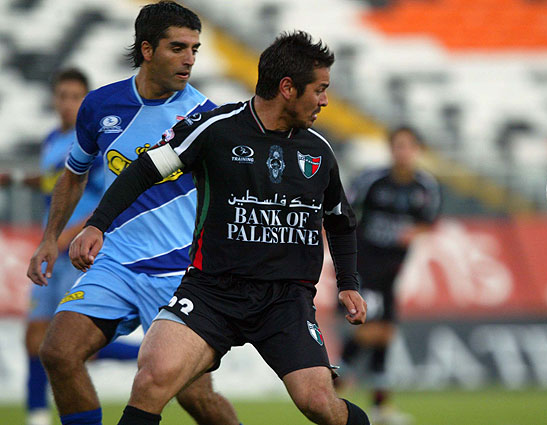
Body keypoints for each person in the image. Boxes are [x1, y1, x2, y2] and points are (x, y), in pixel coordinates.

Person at [70, 30, 371, 425]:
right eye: (319, 89)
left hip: (285, 301)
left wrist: (348, 283)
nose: (325, 100)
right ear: (287, 88)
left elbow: (340, 221)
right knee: (153, 377)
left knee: (318, 403)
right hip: (212, 292)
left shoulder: (318, 150)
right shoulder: (215, 129)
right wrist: (97, 225)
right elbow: (145, 169)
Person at [26, 3, 239, 425]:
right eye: (178, 48)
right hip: (116, 263)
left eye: (194, 49)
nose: (190, 59)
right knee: (58, 352)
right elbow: (73, 175)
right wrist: (50, 237)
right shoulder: (99, 106)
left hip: (178, 273)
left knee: (195, 396)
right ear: (147, 49)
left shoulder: (206, 116)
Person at [5, 68, 140, 425]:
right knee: (35, 338)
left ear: (86, 101)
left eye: (75, 97)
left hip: (82, 252)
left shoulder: (95, 141)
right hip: (52, 250)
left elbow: (109, 196)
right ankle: (37, 415)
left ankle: (149, 353)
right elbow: (55, 180)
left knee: (74, 345)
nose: (67, 104)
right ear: (54, 99)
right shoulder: (53, 139)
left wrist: (70, 234)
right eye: (62, 96)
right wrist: (14, 178)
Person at [338, 126, 441, 425]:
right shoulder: (372, 180)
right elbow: (345, 210)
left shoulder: (425, 187)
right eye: (398, 145)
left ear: (418, 150)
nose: (403, 152)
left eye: (409, 146)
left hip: (393, 270)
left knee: (385, 333)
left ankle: (379, 407)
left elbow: (429, 221)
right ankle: (332, 389)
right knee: (371, 329)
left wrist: (414, 232)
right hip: (364, 266)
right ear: (390, 149)